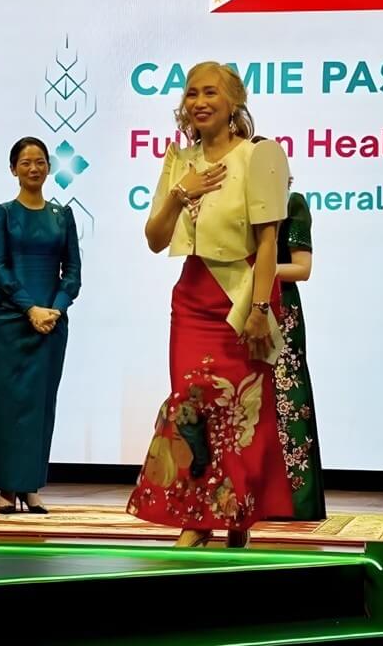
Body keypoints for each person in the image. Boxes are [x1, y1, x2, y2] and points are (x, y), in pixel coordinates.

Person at [127, 62, 293, 548]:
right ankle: (197, 519)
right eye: (192, 93)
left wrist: (260, 308)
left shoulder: (258, 155)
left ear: (233, 100)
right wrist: (181, 194)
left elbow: (268, 242)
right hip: (193, 299)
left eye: (211, 92)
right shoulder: (180, 159)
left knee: (240, 412)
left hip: (244, 299)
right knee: (190, 407)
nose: (200, 102)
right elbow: (155, 239)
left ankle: (238, 514)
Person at [0, 137, 81, 515]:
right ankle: (8, 489)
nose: (34, 168)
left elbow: (72, 272)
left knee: (42, 405)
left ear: (49, 167)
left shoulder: (62, 215)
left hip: (51, 324)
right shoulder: (1, 213)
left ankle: (32, 487)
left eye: (40, 161)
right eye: (25, 162)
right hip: (10, 320)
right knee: (7, 406)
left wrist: (55, 309)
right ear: (13, 169)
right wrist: (30, 309)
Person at [272, 187, 327, 521]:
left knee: (288, 400)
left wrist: (256, 269)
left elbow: (301, 269)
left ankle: (295, 501)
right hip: (237, 306)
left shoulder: (291, 203)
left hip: (280, 309)